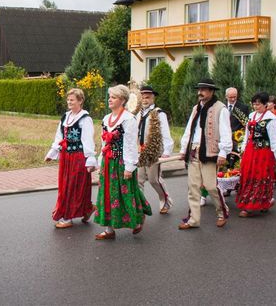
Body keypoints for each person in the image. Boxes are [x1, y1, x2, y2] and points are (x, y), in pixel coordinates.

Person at [94, 84, 152, 240]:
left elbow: (130, 144)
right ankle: (109, 229)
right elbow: (104, 143)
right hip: (108, 162)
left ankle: (138, 219)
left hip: (121, 162)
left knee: (126, 192)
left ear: (122, 100)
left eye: (113, 97)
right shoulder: (106, 118)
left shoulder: (128, 119)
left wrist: (130, 166)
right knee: (106, 193)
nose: (109, 100)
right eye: (110, 97)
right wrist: (100, 161)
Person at [178, 79, 232, 230]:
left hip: (210, 152)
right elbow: (189, 130)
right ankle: (193, 219)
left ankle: (222, 212)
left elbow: (226, 133)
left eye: (204, 89)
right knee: (192, 187)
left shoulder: (221, 109)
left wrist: (223, 153)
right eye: (199, 89)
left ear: (211, 91)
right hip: (194, 150)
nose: (200, 92)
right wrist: (184, 149)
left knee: (210, 186)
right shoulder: (196, 108)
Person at [45, 88, 96, 228]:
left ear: (80, 101)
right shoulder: (65, 117)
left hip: (78, 157)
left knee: (74, 186)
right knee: (66, 185)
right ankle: (88, 208)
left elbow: (88, 140)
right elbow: (59, 136)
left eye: (72, 100)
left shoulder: (85, 119)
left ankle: (68, 218)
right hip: (66, 157)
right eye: (68, 100)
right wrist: (52, 152)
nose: (69, 102)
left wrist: (90, 159)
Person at [236, 92, 276, 217]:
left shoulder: (271, 118)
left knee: (260, 177)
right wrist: (243, 148)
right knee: (248, 175)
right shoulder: (252, 116)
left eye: (258, 104)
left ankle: (255, 204)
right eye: (254, 104)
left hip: (263, 152)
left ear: (265, 104)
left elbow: (275, 138)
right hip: (251, 151)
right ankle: (250, 202)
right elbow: (247, 134)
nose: (256, 107)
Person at [136, 85, 174, 214]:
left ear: (153, 98)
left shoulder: (159, 113)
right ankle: (139, 205)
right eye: (143, 97)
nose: (145, 100)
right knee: (138, 179)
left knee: (154, 179)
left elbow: (165, 133)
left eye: (147, 97)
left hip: (153, 151)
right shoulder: (139, 114)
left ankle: (165, 200)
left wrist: (167, 151)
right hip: (140, 151)